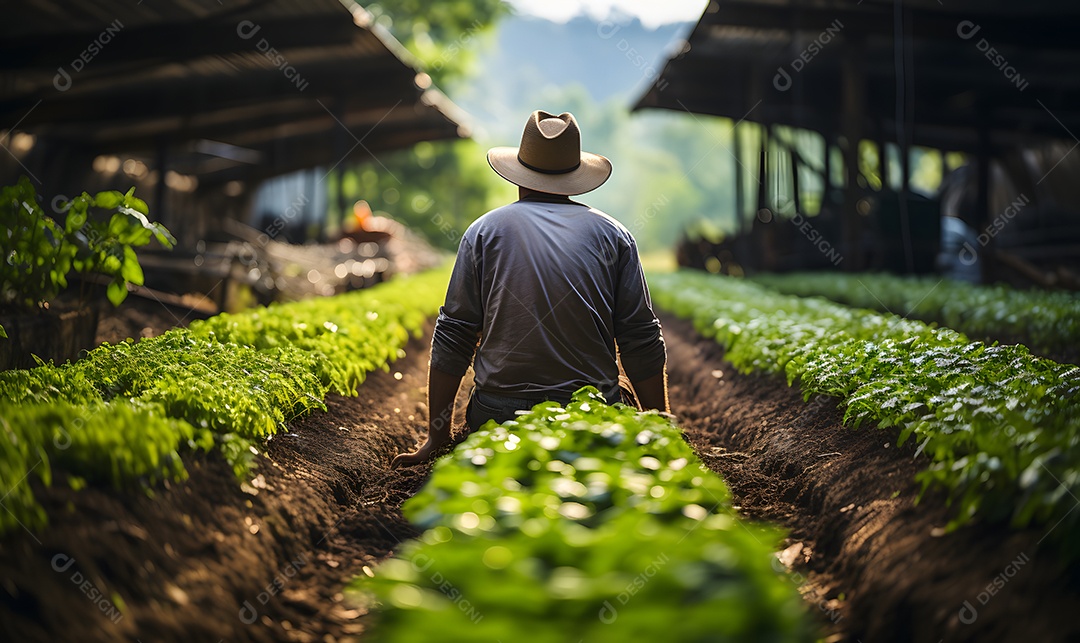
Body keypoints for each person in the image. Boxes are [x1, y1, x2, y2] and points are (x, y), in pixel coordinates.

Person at [391, 110, 668, 469]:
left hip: (499, 414)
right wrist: (660, 430)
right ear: (574, 177)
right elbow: (640, 339)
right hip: (590, 413)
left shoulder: (484, 232)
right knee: (621, 398)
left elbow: (454, 335)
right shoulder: (613, 235)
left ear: (519, 176)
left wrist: (436, 439)